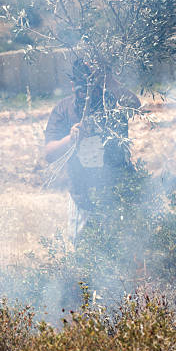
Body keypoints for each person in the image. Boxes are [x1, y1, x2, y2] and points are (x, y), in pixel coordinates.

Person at [44, 60, 140, 245]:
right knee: (82, 251)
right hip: (82, 196)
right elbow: (49, 154)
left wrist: (109, 80)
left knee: (128, 250)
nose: (87, 94)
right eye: (82, 88)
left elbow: (135, 104)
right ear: (73, 85)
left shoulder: (112, 102)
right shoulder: (64, 110)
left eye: (94, 87)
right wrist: (71, 138)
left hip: (119, 192)